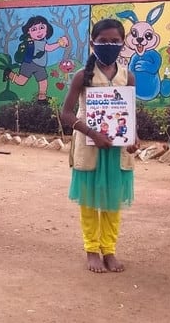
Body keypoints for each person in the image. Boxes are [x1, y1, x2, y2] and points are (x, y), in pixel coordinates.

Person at [59, 19, 139, 273]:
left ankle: (110, 250)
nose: (109, 45)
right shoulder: (83, 76)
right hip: (90, 146)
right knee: (90, 201)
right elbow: (67, 114)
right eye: (103, 41)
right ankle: (92, 249)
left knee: (113, 201)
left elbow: (130, 112)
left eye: (115, 41)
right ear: (93, 43)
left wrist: (134, 137)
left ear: (122, 43)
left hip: (116, 150)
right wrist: (92, 132)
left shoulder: (128, 77)